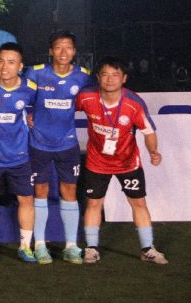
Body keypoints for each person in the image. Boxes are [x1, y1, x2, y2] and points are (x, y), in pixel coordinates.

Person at [76, 57, 167, 264]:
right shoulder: (86, 97)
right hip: (97, 161)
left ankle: (147, 248)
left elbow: (148, 131)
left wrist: (154, 151)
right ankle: (91, 249)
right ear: (98, 78)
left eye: (115, 75)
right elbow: (62, 111)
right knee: (93, 203)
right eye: (105, 74)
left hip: (128, 162)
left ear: (124, 78)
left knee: (138, 202)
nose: (110, 79)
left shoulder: (133, 103)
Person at [27, 31, 95, 264]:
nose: (63, 52)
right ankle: (40, 245)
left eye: (68, 47)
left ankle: (71, 246)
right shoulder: (36, 73)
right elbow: (22, 98)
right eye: (58, 47)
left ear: (74, 51)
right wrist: (27, 113)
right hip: (39, 144)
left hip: (67, 144)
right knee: (41, 192)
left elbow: (94, 101)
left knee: (69, 192)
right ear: (50, 51)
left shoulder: (83, 77)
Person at [0, 43, 39, 263]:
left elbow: (38, 109)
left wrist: (32, 116)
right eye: (1, 61)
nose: (5, 66)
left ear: (20, 66)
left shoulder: (31, 88)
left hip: (19, 156)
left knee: (26, 200)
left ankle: (25, 246)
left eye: (11, 62)